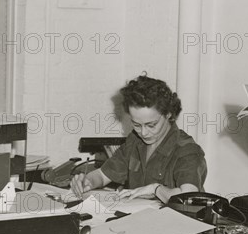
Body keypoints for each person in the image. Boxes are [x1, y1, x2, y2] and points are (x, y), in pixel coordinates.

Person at [70, 75, 207, 203]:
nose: (143, 132)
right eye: (136, 124)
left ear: (168, 114)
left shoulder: (187, 150)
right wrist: (87, 181)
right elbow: (102, 175)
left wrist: (155, 189)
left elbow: (189, 199)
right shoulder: (134, 141)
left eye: (151, 125)